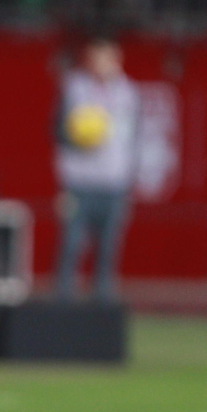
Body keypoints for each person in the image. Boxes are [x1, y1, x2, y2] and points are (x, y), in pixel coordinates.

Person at [55, 37, 139, 301]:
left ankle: (103, 302)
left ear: (117, 59)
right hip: (80, 181)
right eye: (96, 58)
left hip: (114, 183)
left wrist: (129, 180)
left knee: (108, 248)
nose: (101, 64)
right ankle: (64, 298)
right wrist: (78, 138)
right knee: (72, 244)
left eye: (106, 58)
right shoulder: (75, 88)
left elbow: (134, 139)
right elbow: (56, 131)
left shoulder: (128, 93)